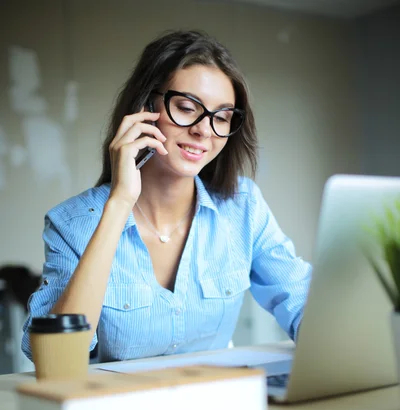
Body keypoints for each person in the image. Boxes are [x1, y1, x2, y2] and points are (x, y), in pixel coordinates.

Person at [22, 29, 312, 363]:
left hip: (218, 403)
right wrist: (119, 203)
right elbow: (54, 359)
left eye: (222, 117)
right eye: (188, 108)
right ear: (147, 106)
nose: (204, 130)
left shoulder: (243, 206)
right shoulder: (70, 223)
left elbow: (302, 303)